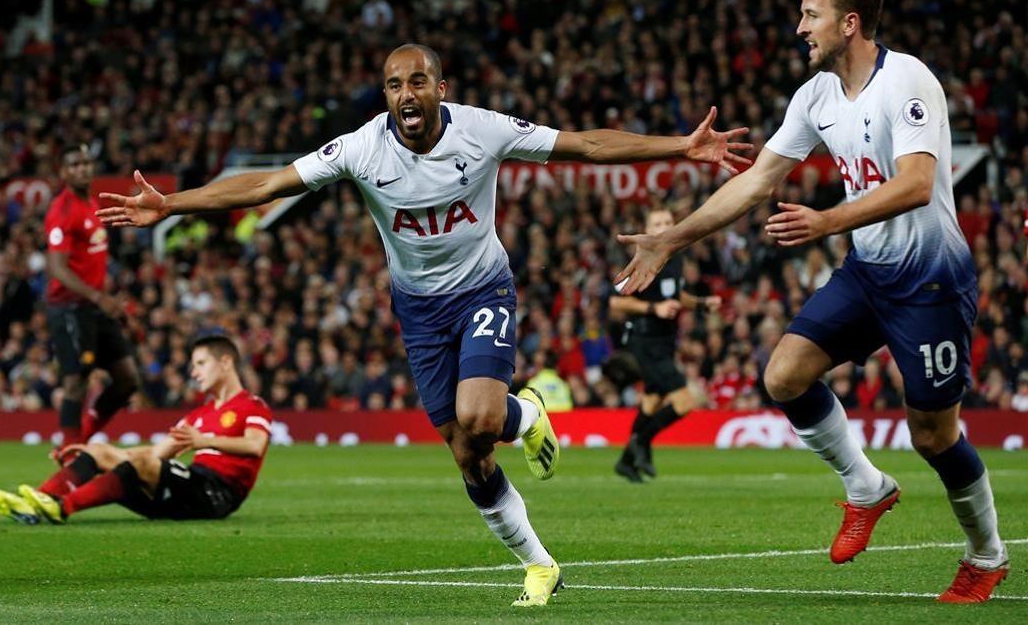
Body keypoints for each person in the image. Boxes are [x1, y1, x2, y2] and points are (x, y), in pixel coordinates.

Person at [97, 43, 751, 607]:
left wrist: (680, 145)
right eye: (393, 84)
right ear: (385, 96)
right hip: (417, 310)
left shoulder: (482, 129)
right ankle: (539, 561)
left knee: (481, 414)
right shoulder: (360, 147)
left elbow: (582, 144)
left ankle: (520, 414)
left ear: (441, 89)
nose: (405, 93)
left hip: (483, 288)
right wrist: (174, 204)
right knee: (468, 453)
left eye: (416, 81)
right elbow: (268, 184)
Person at [615, 0, 1008, 602]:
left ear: (849, 23)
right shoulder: (815, 95)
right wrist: (671, 238)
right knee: (784, 375)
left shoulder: (906, 80)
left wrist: (826, 220)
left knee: (933, 434)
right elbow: (757, 181)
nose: (800, 27)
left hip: (931, 280)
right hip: (869, 272)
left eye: (811, 14)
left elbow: (913, 184)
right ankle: (865, 486)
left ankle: (986, 556)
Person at [0, 333, 270, 523]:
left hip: (216, 494)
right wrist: (101, 453)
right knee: (99, 451)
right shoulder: (200, 414)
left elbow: (255, 445)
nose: (194, 373)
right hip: (184, 492)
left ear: (226, 361)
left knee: (136, 462)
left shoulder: (252, 406)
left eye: (200, 364)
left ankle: (61, 506)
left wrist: (204, 440)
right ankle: (31, 503)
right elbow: (157, 454)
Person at [609, 207, 720, 482]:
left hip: (664, 341)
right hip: (644, 341)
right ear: (647, 230)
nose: (664, 225)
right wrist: (654, 309)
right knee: (684, 401)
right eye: (657, 222)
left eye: (668, 221)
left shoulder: (675, 258)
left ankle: (626, 461)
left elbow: (676, 295)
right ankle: (641, 444)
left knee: (652, 400)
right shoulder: (641, 257)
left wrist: (702, 304)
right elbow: (616, 302)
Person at [43, 143, 140, 446]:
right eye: (75, 164)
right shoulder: (63, 209)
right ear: (64, 172)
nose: (82, 169)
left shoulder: (93, 204)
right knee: (76, 383)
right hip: (69, 308)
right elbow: (57, 269)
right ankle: (72, 454)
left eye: (86, 163)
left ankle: (79, 440)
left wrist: (107, 300)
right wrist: (100, 298)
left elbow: (90, 263)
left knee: (127, 380)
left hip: (96, 306)